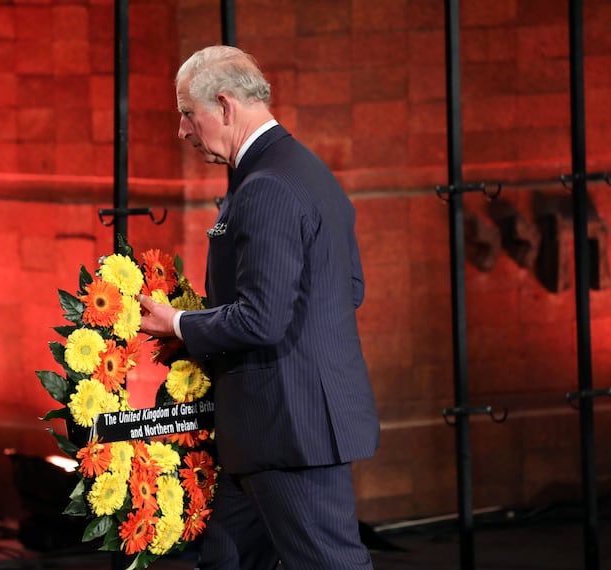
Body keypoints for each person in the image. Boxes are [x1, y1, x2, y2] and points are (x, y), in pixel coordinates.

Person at [138, 45, 380, 569]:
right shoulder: (308, 171)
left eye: (187, 113)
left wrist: (177, 320)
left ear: (223, 107)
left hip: (288, 433)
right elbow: (349, 288)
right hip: (270, 432)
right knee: (225, 560)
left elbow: (262, 318)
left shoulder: (266, 187)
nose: (182, 130)